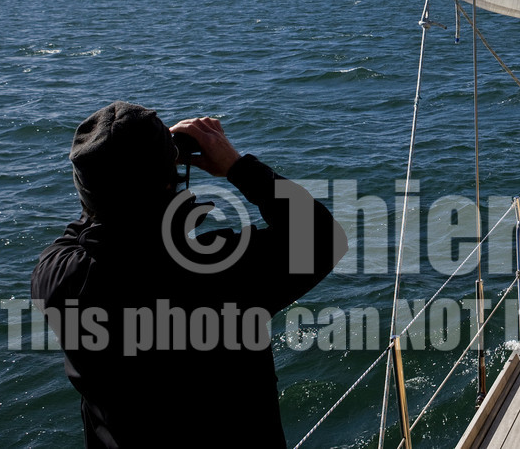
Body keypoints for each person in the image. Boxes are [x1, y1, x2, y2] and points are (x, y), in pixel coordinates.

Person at [32, 102, 346, 448]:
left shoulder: (56, 277)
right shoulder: (219, 270)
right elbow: (323, 238)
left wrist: (141, 169)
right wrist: (238, 166)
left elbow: (93, 218)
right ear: (169, 183)